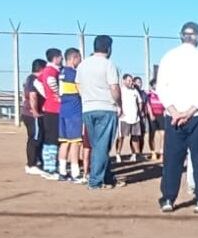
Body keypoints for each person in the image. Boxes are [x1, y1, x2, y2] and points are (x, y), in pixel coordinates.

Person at [157, 22, 198, 214]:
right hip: (197, 115)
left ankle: (168, 198)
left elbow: (161, 88)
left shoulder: (168, 57)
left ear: (181, 36)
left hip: (173, 116)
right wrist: (189, 112)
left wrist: (175, 112)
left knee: (172, 159)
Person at [77, 35, 123, 190]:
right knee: (102, 146)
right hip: (106, 108)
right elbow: (114, 88)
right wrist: (119, 104)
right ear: (108, 48)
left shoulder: (83, 64)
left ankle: (108, 178)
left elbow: (78, 85)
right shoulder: (108, 64)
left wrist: (87, 98)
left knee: (98, 145)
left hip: (88, 108)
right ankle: (95, 181)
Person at [34, 48, 63, 180]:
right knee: (52, 139)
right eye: (60, 57)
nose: (62, 59)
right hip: (54, 109)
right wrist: (56, 94)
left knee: (50, 139)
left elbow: (37, 82)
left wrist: (47, 95)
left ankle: (50, 166)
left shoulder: (47, 70)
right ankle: (50, 169)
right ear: (56, 58)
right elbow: (50, 82)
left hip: (50, 108)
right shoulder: (52, 71)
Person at [57, 48, 85, 183]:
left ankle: (62, 171)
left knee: (64, 142)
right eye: (79, 58)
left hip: (62, 110)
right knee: (75, 143)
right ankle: (75, 173)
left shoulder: (60, 73)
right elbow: (81, 91)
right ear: (74, 58)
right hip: (74, 111)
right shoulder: (74, 74)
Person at [22, 58, 51, 177]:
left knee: (38, 138)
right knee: (35, 138)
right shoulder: (34, 80)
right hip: (32, 114)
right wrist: (35, 112)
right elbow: (32, 95)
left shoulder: (30, 79)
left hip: (30, 113)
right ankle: (31, 165)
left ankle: (37, 162)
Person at [117, 74, 143, 162]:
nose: (131, 82)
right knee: (121, 137)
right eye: (129, 80)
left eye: (131, 80)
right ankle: (118, 154)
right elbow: (115, 101)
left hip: (135, 118)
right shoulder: (120, 90)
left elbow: (140, 102)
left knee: (135, 137)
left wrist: (139, 111)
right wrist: (119, 111)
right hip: (124, 118)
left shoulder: (135, 91)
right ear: (123, 81)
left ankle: (135, 154)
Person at [145, 78, 165, 162]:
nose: (156, 85)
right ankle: (153, 152)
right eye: (155, 84)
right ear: (152, 85)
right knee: (152, 134)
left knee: (163, 134)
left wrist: (165, 111)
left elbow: (165, 103)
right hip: (152, 115)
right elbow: (148, 104)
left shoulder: (162, 93)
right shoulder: (148, 93)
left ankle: (161, 152)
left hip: (161, 115)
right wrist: (151, 114)